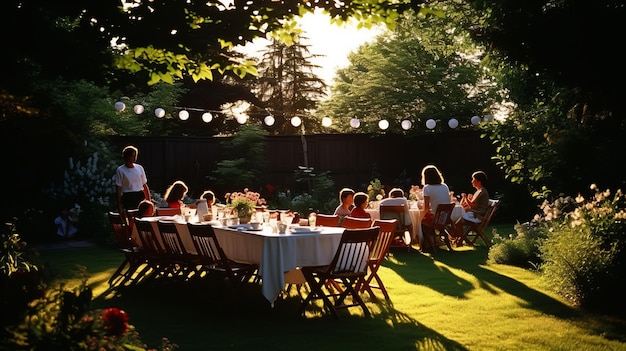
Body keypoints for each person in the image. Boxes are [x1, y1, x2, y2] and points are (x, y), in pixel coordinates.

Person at [115, 145, 151, 218]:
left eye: (135, 155)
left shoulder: (139, 168)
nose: (134, 158)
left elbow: (144, 184)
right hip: (128, 197)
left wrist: (149, 200)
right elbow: (118, 188)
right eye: (132, 156)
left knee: (144, 216)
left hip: (140, 195)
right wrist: (119, 205)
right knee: (131, 218)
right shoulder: (120, 170)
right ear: (126, 157)